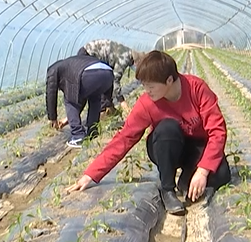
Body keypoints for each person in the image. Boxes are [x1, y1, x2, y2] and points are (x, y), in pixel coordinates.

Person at [64, 50, 231, 215]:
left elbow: (217, 131)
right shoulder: (147, 103)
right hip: (166, 146)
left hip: (195, 146)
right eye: (144, 85)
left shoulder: (196, 89)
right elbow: (124, 138)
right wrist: (91, 175)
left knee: (221, 173)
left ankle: (188, 177)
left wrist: (202, 172)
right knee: (167, 127)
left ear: (169, 80)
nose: (147, 91)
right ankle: (167, 190)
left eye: (151, 86)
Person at [46, 54, 115, 148]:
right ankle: (93, 132)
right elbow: (80, 99)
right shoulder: (70, 65)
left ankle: (78, 136)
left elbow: (51, 93)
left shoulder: (52, 71)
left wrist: (52, 118)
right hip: (108, 73)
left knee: (69, 100)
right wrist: (68, 119)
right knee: (94, 98)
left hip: (89, 74)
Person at [77, 39, 144, 113]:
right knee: (98, 83)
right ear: (136, 63)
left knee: (107, 79)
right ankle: (103, 110)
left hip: (92, 55)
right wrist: (122, 101)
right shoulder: (125, 58)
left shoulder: (128, 53)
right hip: (88, 54)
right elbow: (115, 80)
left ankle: (108, 107)